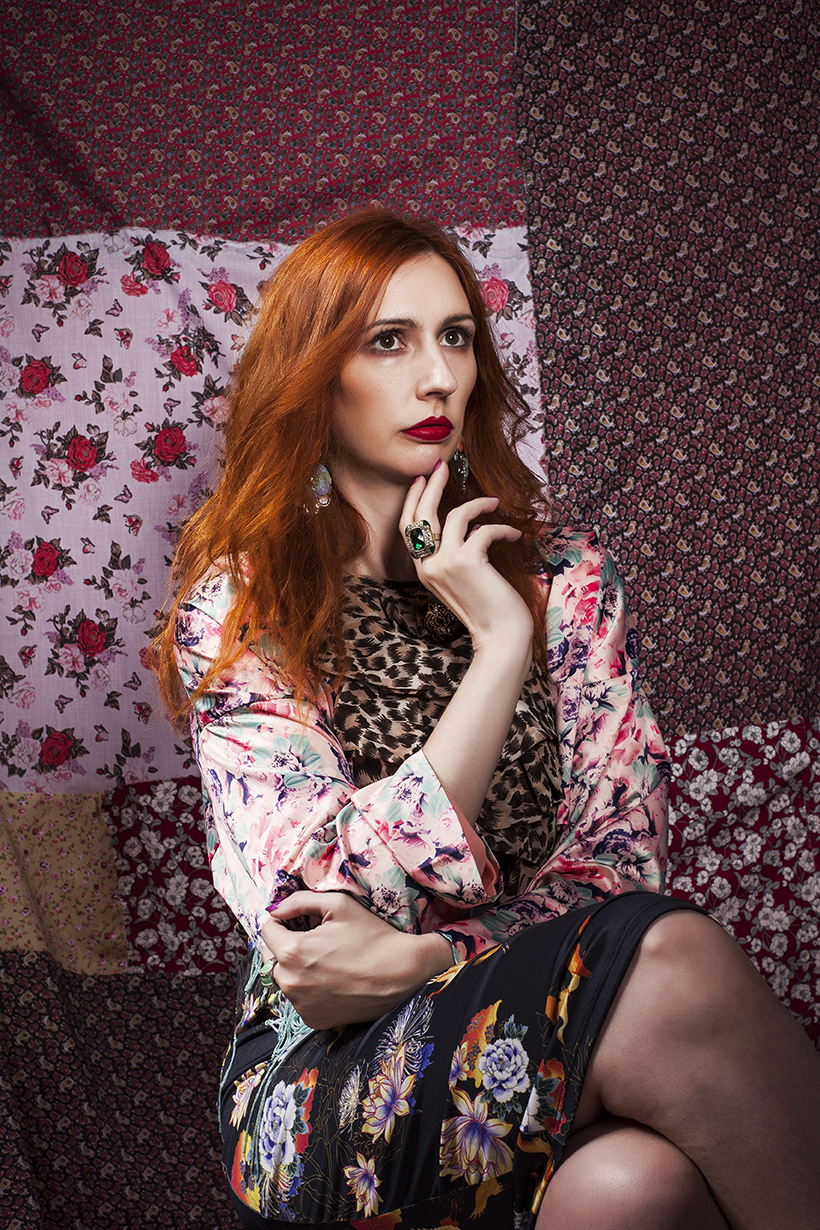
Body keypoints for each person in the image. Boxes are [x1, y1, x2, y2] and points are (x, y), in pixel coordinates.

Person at [157, 211, 820, 1230]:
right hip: (325, 1075)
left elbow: (620, 869)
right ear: (315, 376)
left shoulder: (563, 581)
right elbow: (319, 914)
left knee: (635, 1188)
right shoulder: (250, 606)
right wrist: (497, 656)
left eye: (456, 337)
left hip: (523, 1019)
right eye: (389, 341)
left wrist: (433, 956)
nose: (437, 377)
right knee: (673, 960)